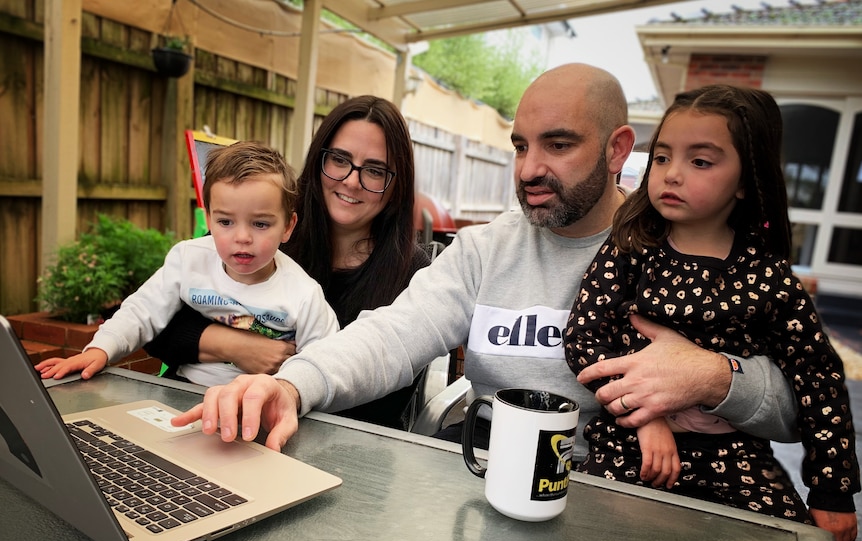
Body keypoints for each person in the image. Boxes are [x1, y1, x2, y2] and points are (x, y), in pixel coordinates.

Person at [172, 63, 799, 494]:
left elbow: (798, 404)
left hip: (637, 497)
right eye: (520, 145)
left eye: (558, 145)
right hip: (494, 486)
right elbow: (394, 333)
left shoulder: (688, 249)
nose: (529, 169)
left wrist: (715, 377)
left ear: (616, 150)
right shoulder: (485, 249)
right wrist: (293, 386)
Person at [564, 84, 859, 541]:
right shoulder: (631, 249)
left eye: (700, 161)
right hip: (631, 446)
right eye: (662, 158)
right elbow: (585, 337)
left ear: (746, 178)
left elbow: (817, 379)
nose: (671, 174)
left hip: (734, 457)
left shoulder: (768, 278)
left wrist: (832, 490)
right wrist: (646, 419)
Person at [144, 96, 430, 427]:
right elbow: (155, 326)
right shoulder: (265, 225)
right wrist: (240, 348)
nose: (352, 180)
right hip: (208, 419)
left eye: (375, 170)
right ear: (318, 159)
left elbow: (384, 400)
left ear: (397, 184)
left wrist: (291, 383)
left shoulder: (412, 272)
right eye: (339, 159)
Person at [35, 141, 339, 386]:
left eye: (260, 224)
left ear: (288, 227)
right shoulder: (189, 258)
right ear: (208, 219)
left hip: (257, 409)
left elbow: (324, 367)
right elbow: (142, 310)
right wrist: (101, 349)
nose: (242, 237)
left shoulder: (303, 295)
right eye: (225, 221)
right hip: (182, 391)